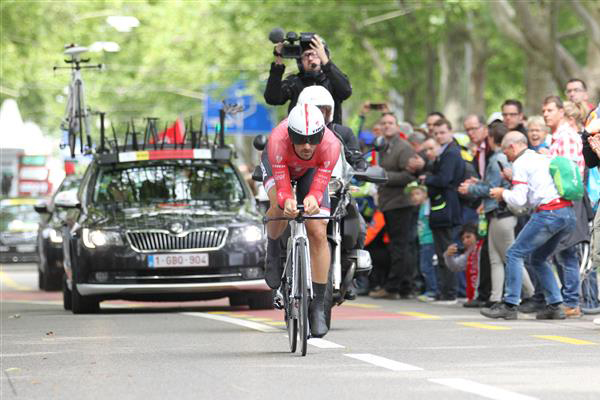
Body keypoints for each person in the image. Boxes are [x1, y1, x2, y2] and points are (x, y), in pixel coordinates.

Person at [261, 103, 341, 337]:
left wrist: (314, 199)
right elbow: (284, 190)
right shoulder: (278, 139)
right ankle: (273, 248)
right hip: (280, 165)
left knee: (317, 228)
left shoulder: (331, 144)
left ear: (321, 135)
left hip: (312, 171)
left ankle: (317, 306)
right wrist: (286, 200)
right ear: (290, 135)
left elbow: (320, 185)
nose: (306, 146)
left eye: (312, 139)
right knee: (279, 206)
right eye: (300, 139)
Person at [482, 131, 576, 320]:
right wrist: (512, 181)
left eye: (506, 152)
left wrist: (502, 193)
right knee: (538, 258)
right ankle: (555, 305)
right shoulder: (541, 158)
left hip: (549, 213)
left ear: (513, 147)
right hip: (567, 213)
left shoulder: (520, 163)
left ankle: (509, 305)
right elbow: (533, 192)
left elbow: (519, 199)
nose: (506, 158)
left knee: (514, 253)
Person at [459, 122, 534, 306]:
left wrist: (471, 188)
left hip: (502, 213)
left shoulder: (496, 159)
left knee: (510, 256)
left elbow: (491, 189)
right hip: (497, 214)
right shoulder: (503, 158)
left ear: (492, 138)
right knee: (496, 258)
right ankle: (495, 297)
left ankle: (530, 292)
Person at [371, 112, 424, 299]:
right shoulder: (383, 147)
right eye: (383, 123)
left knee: (400, 246)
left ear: (397, 126)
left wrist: (383, 176)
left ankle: (396, 287)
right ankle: (402, 286)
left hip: (400, 203)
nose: (387, 126)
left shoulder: (403, 148)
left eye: (390, 123)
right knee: (398, 246)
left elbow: (410, 175)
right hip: (389, 203)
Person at [544, 95, 586, 317]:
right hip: (558, 200)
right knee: (559, 251)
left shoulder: (567, 137)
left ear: (562, 112)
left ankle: (571, 301)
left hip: (566, 199)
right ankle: (563, 298)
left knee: (567, 251)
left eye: (550, 110)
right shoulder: (556, 137)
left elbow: (570, 174)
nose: (545, 114)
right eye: (544, 111)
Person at [421, 118, 465, 304]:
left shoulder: (451, 153)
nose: (439, 136)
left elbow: (445, 179)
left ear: (450, 131)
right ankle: (444, 290)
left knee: (447, 249)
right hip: (442, 208)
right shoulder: (443, 153)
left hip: (447, 208)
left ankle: (450, 292)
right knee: (441, 250)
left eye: (442, 132)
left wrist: (428, 179)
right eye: (436, 133)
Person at [264, 34, 351, 124]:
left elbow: (346, 91)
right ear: (300, 61)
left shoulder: (332, 80)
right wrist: (278, 59)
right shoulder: (294, 82)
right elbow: (272, 98)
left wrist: (325, 60)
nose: (310, 58)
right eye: (306, 55)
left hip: (330, 134)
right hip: (300, 135)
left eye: (314, 54)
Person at [297, 85, 367, 171]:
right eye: (312, 111)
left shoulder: (342, 133)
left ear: (328, 113)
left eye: (321, 111)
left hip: (335, 182)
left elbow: (355, 158)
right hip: (300, 180)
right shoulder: (292, 132)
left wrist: (360, 166)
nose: (316, 115)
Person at [405, 182, 437, 301]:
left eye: (417, 193)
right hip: (423, 240)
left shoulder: (427, 205)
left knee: (427, 266)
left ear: (425, 194)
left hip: (429, 240)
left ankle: (432, 291)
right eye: (412, 195)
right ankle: (430, 290)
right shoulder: (420, 208)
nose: (414, 197)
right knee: (424, 266)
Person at [443, 223, 483, 303]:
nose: (465, 241)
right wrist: (448, 255)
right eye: (463, 239)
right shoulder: (469, 253)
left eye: (468, 237)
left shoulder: (484, 249)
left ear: (476, 236)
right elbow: (455, 267)